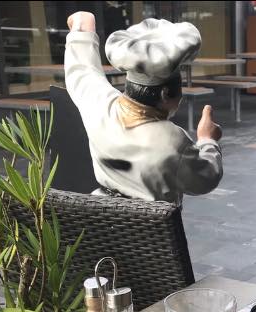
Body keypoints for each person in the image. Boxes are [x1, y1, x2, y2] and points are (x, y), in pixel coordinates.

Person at [64, 11, 223, 203]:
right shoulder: (174, 143)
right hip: (154, 233)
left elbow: (82, 68)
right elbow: (206, 178)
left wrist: (82, 26)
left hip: (101, 226)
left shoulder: (98, 105)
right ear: (165, 94)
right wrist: (208, 140)